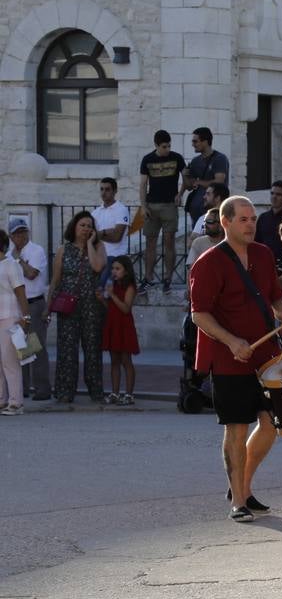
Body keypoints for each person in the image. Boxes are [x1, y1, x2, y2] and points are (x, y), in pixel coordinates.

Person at [190, 196, 282, 523]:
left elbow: (274, 298)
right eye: (243, 219)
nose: (251, 224)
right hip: (229, 357)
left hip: (265, 355)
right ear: (226, 222)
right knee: (237, 428)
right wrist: (231, 340)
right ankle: (239, 500)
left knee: (271, 424)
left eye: (253, 218)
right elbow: (199, 314)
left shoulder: (263, 254)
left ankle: (243, 484)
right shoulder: (208, 262)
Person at [49, 211, 107, 404]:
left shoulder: (98, 246)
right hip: (68, 306)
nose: (86, 229)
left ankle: (95, 391)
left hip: (91, 307)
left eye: (89, 226)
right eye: (82, 225)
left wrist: (89, 244)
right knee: (67, 350)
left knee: (92, 349)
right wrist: (47, 307)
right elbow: (55, 281)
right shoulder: (63, 250)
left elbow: (98, 267)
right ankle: (65, 391)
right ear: (74, 226)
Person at [139, 129, 186, 291]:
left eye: (169, 146)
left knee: (169, 242)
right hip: (152, 206)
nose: (167, 149)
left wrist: (180, 194)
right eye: (164, 147)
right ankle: (148, 277)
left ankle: (168, 278)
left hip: (169, 206)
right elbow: (143, 184)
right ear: (156, 145)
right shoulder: (147, 159)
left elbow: (186, 178)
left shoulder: (177, 158)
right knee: (150, 243)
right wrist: (143, 206)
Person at [10, 219, 50, 401]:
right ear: (11, 236)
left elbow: (32, 274)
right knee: (22, 347)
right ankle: (23, 387)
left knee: (37, 347)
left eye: (22, 232)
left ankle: (42, 389)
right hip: (18, 304)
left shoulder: (36, 251)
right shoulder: (9, 256)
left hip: (34, 303)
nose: (20, 236)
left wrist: (19, 260)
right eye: (16, 234)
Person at [0, 229, 32, 415]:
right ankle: (2, 399)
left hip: (11, 317)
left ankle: (16, 402)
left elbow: (21, 292)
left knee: (10, 361)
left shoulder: (11, 265)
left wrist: (26, 318)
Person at [101, 255, 140, 405]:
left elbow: (125, 308)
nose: (114, 271)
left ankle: (129, 394)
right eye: (113, 268)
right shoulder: (114, 285)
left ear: (126, 270)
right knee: (114, 360)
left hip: (124, 325)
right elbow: (111, 307)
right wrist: (103, 299)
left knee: (126, 360)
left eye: (118, 269)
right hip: (113, 324)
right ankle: (115, 392)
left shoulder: (129, 287)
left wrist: (112, 295)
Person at [91, 178, 130, 286]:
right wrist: (107, 232)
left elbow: (117, 237)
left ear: (115, 191)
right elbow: (90, 236)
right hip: (98, 256)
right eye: (102, 189)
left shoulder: (121, 210)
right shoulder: (95, 213)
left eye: (107, 189)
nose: (103, 193)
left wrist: (99, 233)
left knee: (102, 286)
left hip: (114, 257)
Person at [255, 181, 282, 263]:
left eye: (278, 194)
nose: (274, 197)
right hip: (264, 262)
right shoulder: (263, 218)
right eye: (272, 193)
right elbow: (257, 241)